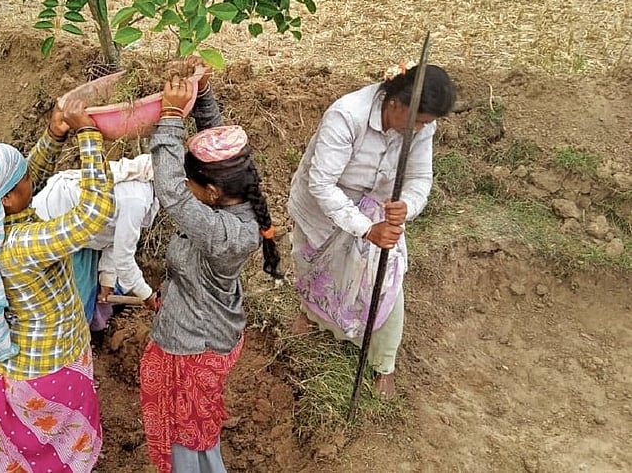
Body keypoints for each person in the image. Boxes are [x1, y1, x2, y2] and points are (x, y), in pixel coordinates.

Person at [0, 98, 114, 473]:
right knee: (58, 455)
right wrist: (88, 136)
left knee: (25, 450)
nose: (31, 181)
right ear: (8, 196)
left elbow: (19, 185)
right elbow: (93, 215)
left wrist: (53, 135)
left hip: (8, 366)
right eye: (25, 180)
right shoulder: (20, 245)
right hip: (47, 374)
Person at [138, 61, 283, 473]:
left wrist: (168, 118)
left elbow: (170, 192)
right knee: (195, 428)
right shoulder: (234, 198)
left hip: (194, 347)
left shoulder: (223, 233)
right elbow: (214, 145)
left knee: (187, 435)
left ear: (213, 193)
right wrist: (202, 94)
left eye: (193, 182)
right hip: (204, 331)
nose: (187, 186)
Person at [287, 64, 457, 399]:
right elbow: (321, 184)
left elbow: (420, 177)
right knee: (316, 272)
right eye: (420, 120)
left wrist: (406, 204)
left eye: (427, 123)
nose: (424, 128)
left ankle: (383, 363)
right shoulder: (346, 115)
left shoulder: (422, 127)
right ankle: (311, 316)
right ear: (396, 105)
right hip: (325, 211)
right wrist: (366, 229)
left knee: (387, 283)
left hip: (378, 211)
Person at [31, 152, 160, 333]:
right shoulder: (137, 200)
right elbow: (124, 260)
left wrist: (107, 280)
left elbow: (114, 237)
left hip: (84, 233)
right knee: (68, 299)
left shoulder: (148, 194)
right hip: (53, 224)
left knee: (87, 291)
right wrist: (147, 295)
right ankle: (65, 341)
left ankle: (83, 333)